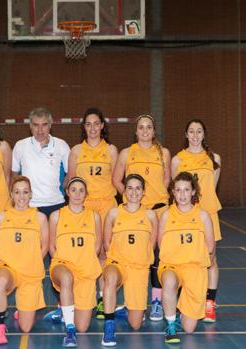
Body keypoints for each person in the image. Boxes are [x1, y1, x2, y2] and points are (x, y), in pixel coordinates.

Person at [112, 114, 170, 321]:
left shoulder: (163, 153)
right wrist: (130, 199)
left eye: (149, 128)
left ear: (154, 131)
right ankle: (133, 301)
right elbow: (116, 180)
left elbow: (166, 181)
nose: (145, 131)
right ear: (135, 131)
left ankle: (156, 301)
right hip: (137, 212)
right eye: (141, 128)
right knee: (135, 256)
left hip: (160, 210)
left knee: (157, 256)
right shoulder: (127, 153)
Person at [67, 108, 118, 319]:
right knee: (87, 253)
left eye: (96, 123)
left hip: (106, 205)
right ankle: (85, 296)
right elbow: (71, 181)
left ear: (102, 126)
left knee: (105, 253)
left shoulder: (112, 150)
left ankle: (102, 298)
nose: (93, 128)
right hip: (85, 207)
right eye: (88, 124)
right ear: (84, 127)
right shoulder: (77, 151)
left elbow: (115, 179)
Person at [171, 119, 222, 322]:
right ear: (186, 134)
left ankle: (209, 305)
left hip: (208, 214)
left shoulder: (214, 158)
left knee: (211, 260)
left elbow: (211, 188)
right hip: (186, 217)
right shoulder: (177, 160)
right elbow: (177, 191)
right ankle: (184, 302)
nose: (194, 135)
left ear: (203, 134)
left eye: (198, 131)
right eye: (191, 131)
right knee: (184, 260)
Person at [157, 172, 215, 343]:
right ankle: (171, 324)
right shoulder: (167, 216)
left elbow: (210, 247)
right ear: (173, 192)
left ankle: (180, 304)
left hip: (195, 269)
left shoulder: (203, 216)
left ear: (192, 192)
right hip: (172, 266)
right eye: (178, 190)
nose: (182, 195)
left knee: (189, 329)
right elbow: (161, 244)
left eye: (186, 190)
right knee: (169, 281)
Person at [101, 174, 158, 347]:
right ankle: (109, 325)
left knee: (135, 324)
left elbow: (152, 244)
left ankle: (128, 308)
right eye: (130, 188)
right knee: (110, 278)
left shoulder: (150, 215)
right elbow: (106, 243)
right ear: (124, 190)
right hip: (117, 264)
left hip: (139, 268)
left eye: (138, 188)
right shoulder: (114, 213)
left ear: (143, 192)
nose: (134, 192)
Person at [0, 176, 49, 344]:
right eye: (17, 192)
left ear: (31, 194)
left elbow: (44, 247)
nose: (21, 196)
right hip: (9, 269)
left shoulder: (40, 218)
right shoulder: (2, 217)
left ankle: (21, 309)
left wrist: (30, 262)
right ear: (11, 194)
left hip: (30, 272)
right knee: (0, 281)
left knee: (26, 327)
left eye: (25, 192)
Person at [49, 177, 103, 347]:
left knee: (83, 327)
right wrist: (64, 263)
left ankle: (64, 311)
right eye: (73, 190)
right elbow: (52, 246)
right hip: (63, 266)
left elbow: (97, 247)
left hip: (85, 271)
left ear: (86, 194)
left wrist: (83, 262)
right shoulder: (56, 215)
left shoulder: (94, 217)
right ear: (67, 192)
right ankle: (69, 329)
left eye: (81, 190)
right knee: (66, 278)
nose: (77, 194)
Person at [11, 107, 70, 218]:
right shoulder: (20, 146)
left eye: (44, 125)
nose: (40, 130)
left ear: (50, 125)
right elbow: (14, 176)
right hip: (29, 205)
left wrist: (59, 190)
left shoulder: (62, 145)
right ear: (30, 126)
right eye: (36, 125)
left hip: (56, 204)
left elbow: (70, 174)